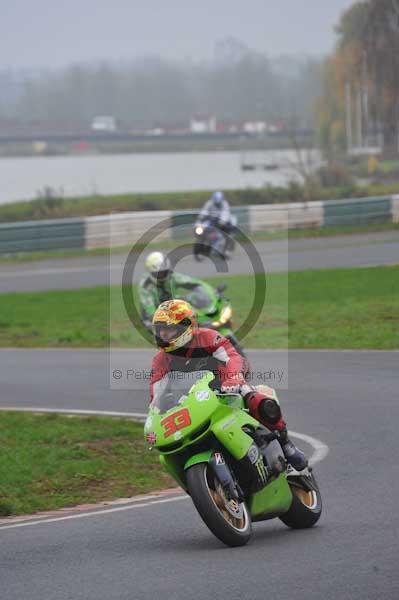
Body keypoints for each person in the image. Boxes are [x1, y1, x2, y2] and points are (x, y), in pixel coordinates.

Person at [149, 299, 307, 471]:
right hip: (192, 398)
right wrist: (156, 410)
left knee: (255, 399)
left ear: (187, 325)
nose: (164, 334)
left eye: (170, 328)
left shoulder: (207, 337)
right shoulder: (160, 360)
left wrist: (233, 378)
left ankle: (286, 445)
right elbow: (156, 389)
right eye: (161, 329)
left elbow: (231, 356)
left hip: (226, 381)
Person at [138, 251, 203, 331]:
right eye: (158, 273)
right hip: (152, 318)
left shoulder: (171, 277)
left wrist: (206, 290)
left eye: (164, 272)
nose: (161, 275)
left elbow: (194, 282)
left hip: (172, 310)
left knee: (188, 300)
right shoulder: (146, 285)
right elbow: (149, 308)